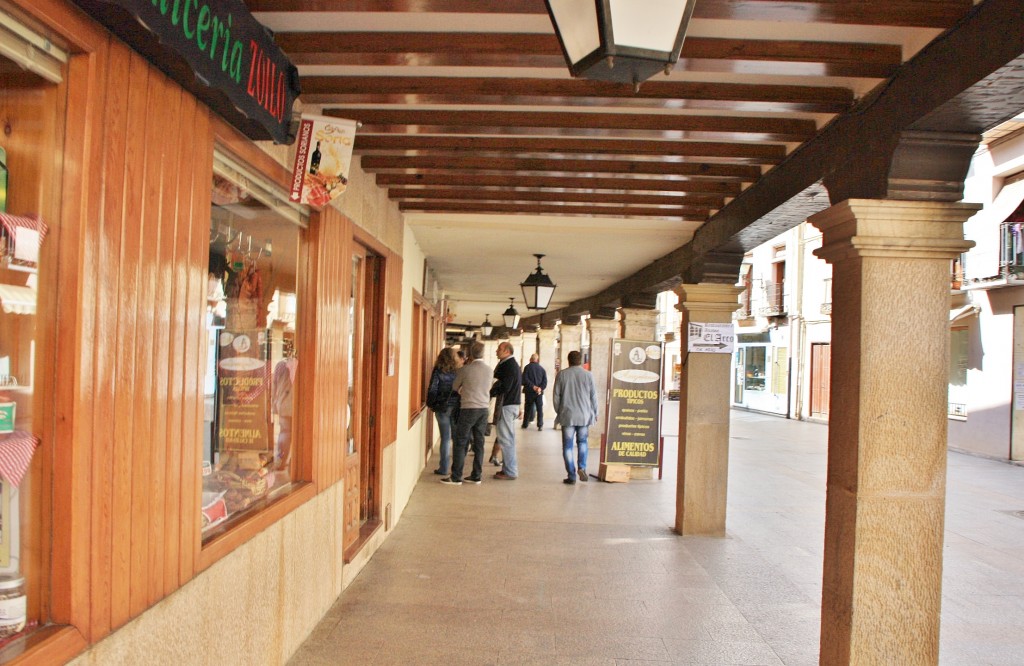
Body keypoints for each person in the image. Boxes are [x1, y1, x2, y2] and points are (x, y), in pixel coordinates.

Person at [443, 342, 491, 485]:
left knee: (461, 442)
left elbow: (455, 386)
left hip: (469, 408)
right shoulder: (490, 370)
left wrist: (462, 390)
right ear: (482, 353)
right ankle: (476, 475)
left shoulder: (465, 370)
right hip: (483, 409)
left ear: (470, 353)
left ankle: (456, 476)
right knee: (479, 442)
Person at [552, 350, 598, 485]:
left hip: (568, 415)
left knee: (567, 446)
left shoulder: (562, 375)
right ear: (581, 361)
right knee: (583, 442)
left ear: (568, 360)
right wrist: (595, 412)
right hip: (584, 414)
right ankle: (582, 467)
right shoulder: (588, 375)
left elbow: (556, 396)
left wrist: (559, 411)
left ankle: (571, 475)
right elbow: (593, 396)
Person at [425, 348, 461, 476]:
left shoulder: (438, 370)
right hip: (456, 407)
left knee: (445, 438)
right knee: (456, 438)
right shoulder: (458, 371)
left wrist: (430, 404)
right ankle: (457, 468)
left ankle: (444, 468)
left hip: (442, 407)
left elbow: (433, 388)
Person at [490, 341, 522, 480]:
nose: (497, 351)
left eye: (500, 349)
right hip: (510, 404)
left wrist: (492, 390)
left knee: (506, 439)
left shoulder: (509, 365)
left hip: (507, 405)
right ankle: (507, 469)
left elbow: (505, 386)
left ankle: (510, 471)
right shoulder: (509, 364)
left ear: (507, 351)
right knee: (507, 438)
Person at [521, 353, 547, 430]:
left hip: (529, 392)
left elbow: (524, 379)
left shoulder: (527, 368)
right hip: (538, 393)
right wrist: (540, 388)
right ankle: (540, 425)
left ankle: (525, 424)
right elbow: (545, 382)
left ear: (530, 359)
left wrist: (533, 386)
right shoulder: (542, 369)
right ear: (537, 360)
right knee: (539, 409)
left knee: (528, 408)